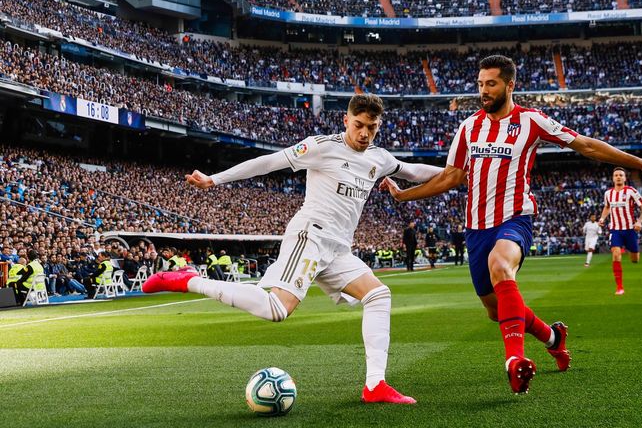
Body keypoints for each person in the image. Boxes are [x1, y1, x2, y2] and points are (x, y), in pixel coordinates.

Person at [380, 55, 642, 394]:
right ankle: (553, 337)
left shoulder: (532, 121)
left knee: (501, 264)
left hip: (515, 216)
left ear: (510, 85)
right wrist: (404, 196)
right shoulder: (468, 127)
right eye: (480, 84)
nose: (484, 91)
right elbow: (451, 177)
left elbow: (587, 146)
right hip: (476, 227)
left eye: (491, 83)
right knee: (497, 311)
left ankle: (515, 361)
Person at [142, 94, 443, 404]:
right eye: (359, 125)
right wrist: (214, 179)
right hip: (310, 237)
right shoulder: (321, 147)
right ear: (346, 121)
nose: (364, 133)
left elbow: (411, 170)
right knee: (277, 310)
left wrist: (457, 171)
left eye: (372, 127)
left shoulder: (378, 158)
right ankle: (187, 280)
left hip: (338, 249)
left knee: (378, 295)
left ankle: (375, 385)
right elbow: (268, 163)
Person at [598, 167, 642, 295]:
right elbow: (607, 207)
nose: (618, 177)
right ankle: (619, 287)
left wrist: (639, 221)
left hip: (630, 230)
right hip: (615, 230)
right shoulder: (608, 193)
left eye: (621, 175)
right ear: (613, 178)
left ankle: (631, 251)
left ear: (625, 178)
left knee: (635, 259)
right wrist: (602, 218)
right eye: (616, 175)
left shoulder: (631, 191)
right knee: (615, 254)